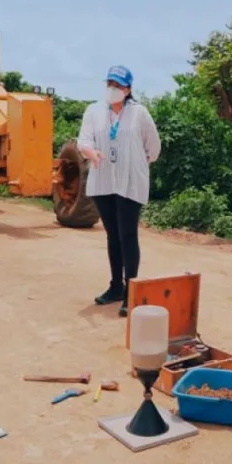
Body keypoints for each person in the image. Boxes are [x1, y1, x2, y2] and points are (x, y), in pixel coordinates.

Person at [77, 65, 162, 316]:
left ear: (128, 89)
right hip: (103, 180)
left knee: (128, 235)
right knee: (112, 235)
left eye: (119, 86)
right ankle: (115, 286)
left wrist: (136, 163)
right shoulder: (94, 111)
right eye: (110, 85)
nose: (113, 90)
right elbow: (83, 140)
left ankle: (130, 291)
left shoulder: (139, 114)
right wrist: (91, 152)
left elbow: (153, 146)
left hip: (129, 182)